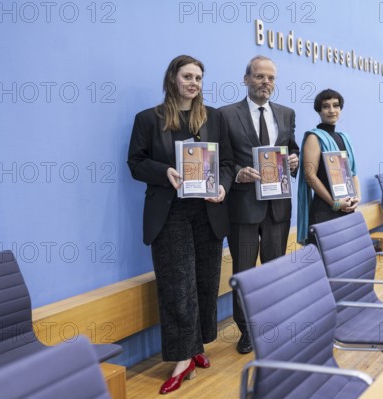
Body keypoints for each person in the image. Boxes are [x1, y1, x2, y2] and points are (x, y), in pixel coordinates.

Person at [127, 55, 234, 395]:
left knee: (203, 282)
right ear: (172, 78)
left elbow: (229, 164)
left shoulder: (215, 118)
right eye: (187, 76)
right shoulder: (148, 119)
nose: (194, 83)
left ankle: (196, 347)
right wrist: (165, 172)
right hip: (169, 211)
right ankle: (181, 358)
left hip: (207, 211)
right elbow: (135, 162)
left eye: (199, 77)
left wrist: (222, 186)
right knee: (177, 286)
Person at [220, 55, 299, 354]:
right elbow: (222, 159)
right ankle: (247, 330)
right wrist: (238, 172)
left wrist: (293, 159)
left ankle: (272, 323)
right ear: (246, 79)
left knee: (274, 269)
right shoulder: (226, 115)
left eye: (271, 78)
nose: (266, 82)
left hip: (277, 205)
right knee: (244, 272)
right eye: (259, 76)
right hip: (242, 206)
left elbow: (290, 149)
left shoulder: (286, 114)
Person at [297, 89, 361, 244]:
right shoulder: (314, 137)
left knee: (345, 259)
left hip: (347, 207)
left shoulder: (344, 138)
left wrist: (357, 197)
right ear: (318, 110)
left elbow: (353, 173)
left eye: (336, 105)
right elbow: (310, 176)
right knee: (324, 262)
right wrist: (335, 203)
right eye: (326, 106)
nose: (332, 110)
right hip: (325, 210)